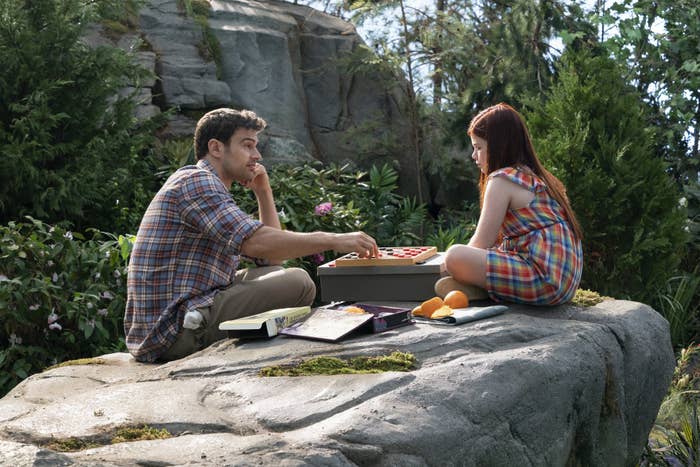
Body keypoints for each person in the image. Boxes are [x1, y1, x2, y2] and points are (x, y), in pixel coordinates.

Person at [125, 108, 379, 362]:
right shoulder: (196, 181)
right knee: (298, 282)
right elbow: (257, 243)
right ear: (216, 148)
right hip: (173, 331)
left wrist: (263, 191)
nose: (256, 156)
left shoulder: (205, 184)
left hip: (183, 314)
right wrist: (334, 239)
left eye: (255, 146)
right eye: (247, 146)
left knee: (277, 275)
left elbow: (271, 260)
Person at [435, 103, 583, 305]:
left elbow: (481, 243)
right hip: (563, 279)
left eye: (479, 147)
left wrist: (444, 266)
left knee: (454, 256)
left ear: (499, 146)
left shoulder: (502, 179)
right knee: (479, 254)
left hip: (544, 278)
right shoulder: (536, 177)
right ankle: (482, 288)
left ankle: (477, 287)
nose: (474, 156)